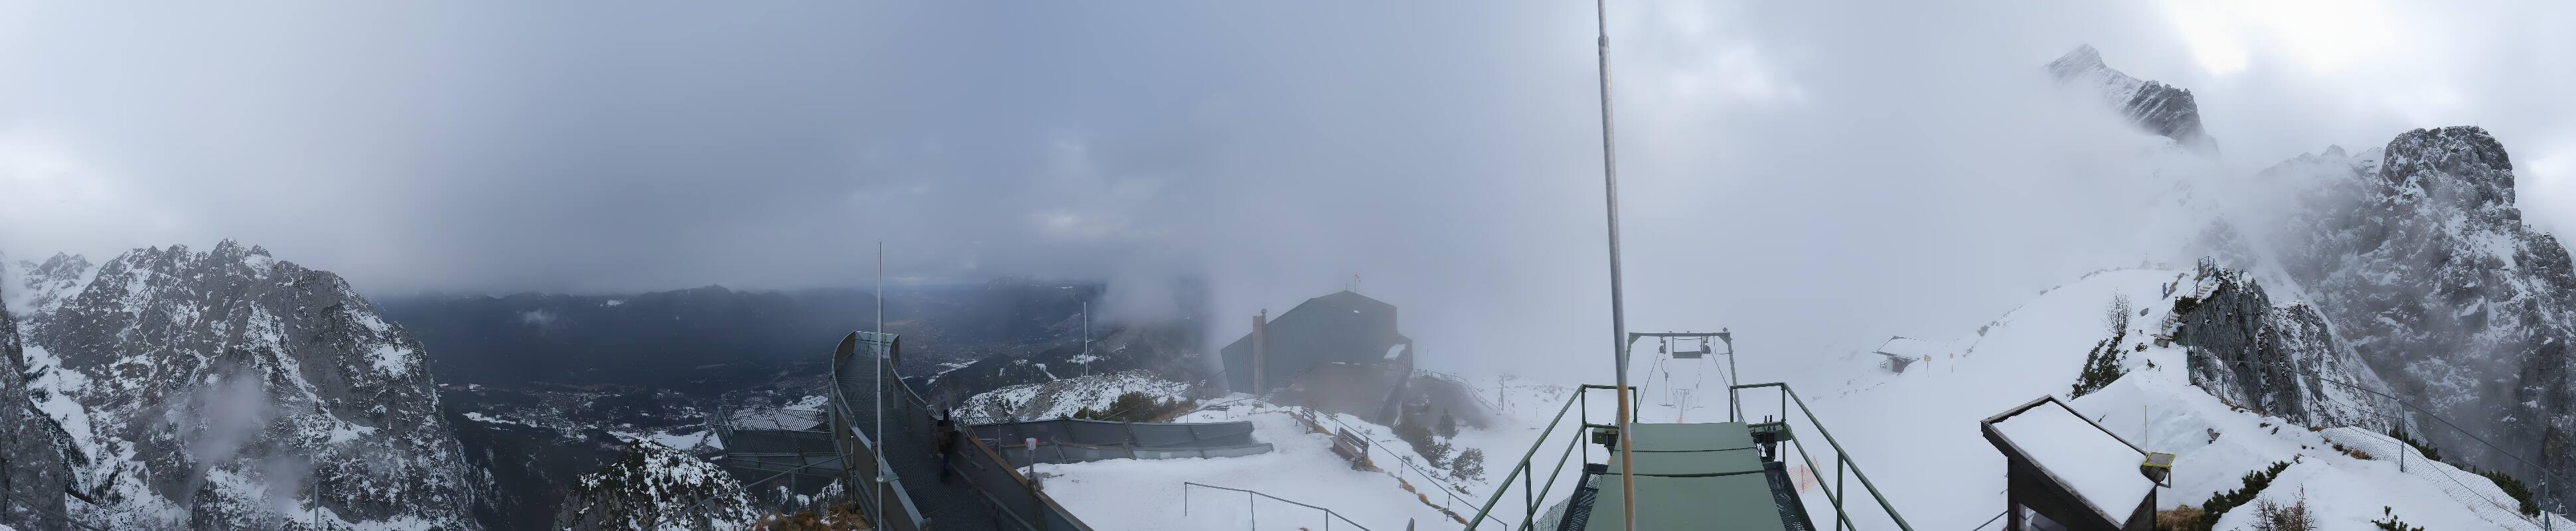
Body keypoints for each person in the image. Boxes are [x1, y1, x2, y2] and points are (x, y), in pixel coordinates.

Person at [932, 414, 957, 481]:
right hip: (947, 447)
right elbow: (951, 437)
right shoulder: (948, 428)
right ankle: (944, 477)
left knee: (945, 461)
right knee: (946, 462)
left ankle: (945, 475)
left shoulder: (940, 425)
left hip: (942, 446)